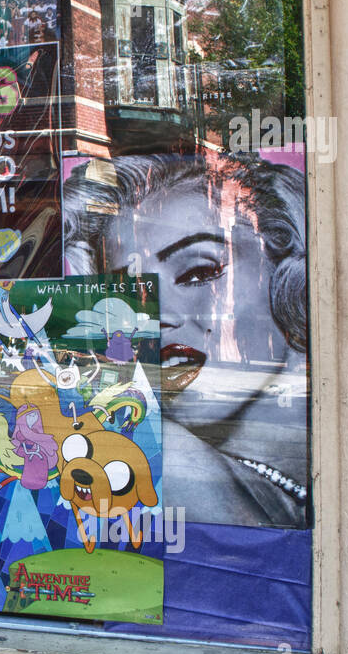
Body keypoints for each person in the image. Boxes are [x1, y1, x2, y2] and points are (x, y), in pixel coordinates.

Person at [62, 151, 309, 529]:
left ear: (288, 275)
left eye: (198, 272)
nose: (155, 316)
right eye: (130, 293)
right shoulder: (165, 457)